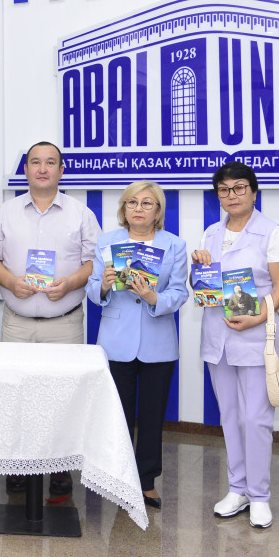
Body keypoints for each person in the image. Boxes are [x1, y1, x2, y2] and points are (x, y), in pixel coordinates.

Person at [0, 140, 99, 502]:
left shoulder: (81, 214)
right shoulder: (7, 212)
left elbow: (94, 262)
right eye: (35, 162)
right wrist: (10, 281)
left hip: (64, 322)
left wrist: (72, 283)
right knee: (15, 394)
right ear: (26, 170)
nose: (42, 169)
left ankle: (59, 468)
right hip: (17, 321)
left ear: (61, 171)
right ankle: (18, 466)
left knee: (61, 397)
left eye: (50, 163)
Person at [193, 160, 279, 530]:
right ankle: (237, 489)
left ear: (253, 191)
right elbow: (203, 288)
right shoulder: (210, 233)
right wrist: (197, 269)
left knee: (256, 419)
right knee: (230, 416)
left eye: (239, 188)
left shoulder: (271, 232)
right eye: (224, 190)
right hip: (218, 338)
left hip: (255, 336)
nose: (231, 195)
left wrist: (259, 316)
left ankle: (260, 495)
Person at [85, 181, 187, 509]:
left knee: (153, 416)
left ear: (158, 211)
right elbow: (91, 289)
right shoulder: (107, 242)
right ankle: (119, 477)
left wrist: (154, 297)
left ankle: (146, 482)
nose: (138, 208)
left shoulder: (174, 245)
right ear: (124, 208)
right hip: (116, 341)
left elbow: (180, 292)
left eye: (147, 203)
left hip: (159, 341)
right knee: (118, 416)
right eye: (132, 202)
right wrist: (103, 286)